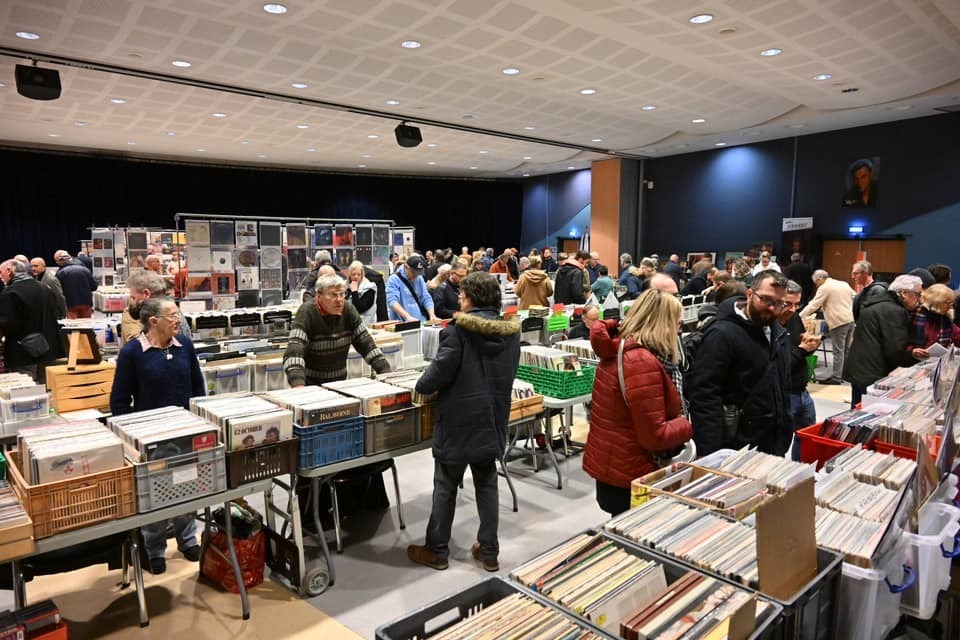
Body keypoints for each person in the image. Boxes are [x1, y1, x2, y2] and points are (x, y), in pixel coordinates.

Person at [408, 272, 520, 572]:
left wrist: (422, 385)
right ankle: (489, 551)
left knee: (445, 485)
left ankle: (437, 550)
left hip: (458, 421)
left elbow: (434, 378)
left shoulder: (458, 333)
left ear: (470, 298)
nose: (459, 298)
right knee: (487, 483)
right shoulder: (511, 333)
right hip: (493, 418)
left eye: (462, 295)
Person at [109, 296, 205, 575]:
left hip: (186, 432)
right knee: (155, 493)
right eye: (172, 316)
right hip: (150, 438)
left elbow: (198, 387)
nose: (179, 320)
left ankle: (188, 539)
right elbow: (119, 401)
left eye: (178, 314)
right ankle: (154, 548)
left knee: (187, 485)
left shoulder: (185, 345)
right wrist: (133, 435)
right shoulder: (132, 353)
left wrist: (201, 420)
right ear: (153, 321)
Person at [585, 289, 693, 516]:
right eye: (677, 321)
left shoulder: (620, 349)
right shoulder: (641, 362)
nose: (679, 327)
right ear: (662, 323)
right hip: (632, 474)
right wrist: (687, 424)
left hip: (616, 466)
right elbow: (655, 435)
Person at [687, 271, 793, 457]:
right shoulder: (722, 334)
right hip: (735, 447)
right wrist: (709, 453)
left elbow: (782, 385)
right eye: (766, 299)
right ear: (750, 294)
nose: (772, 308)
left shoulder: (778, 333)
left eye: (779, 303)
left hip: (772, 444)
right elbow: (705, 395)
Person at [284, 274, 390, 386]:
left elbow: (367, 345)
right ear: (319, 296)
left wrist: (387, 373)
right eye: (334, 295)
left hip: (340, 384)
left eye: (342, 294)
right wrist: (298, 385)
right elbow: (293, 354)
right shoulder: (307, 312)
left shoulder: (348, 310)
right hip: (312, 386)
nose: (339, 300)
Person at [843, 275, 924, 408]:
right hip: (874, 373)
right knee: (869, 414)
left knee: (857, 411)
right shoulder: (894, 311)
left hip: (860, 369)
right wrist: (912, 356)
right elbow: (895, 348)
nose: (919, 299)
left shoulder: (877, 303)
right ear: (904, 293)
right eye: (918, 294)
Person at [0, 259, 64, 381]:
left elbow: (8, 323)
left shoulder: (10, 292)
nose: (0, 276)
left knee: (27, 387)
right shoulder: (44, 287)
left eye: (0, 272)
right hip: (49, 348)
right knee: (46, 386)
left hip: (23, 352)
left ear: (9, 271)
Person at [779, 280, 821, 461]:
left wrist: (811, 345)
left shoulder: (794, 318)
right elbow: (780, 366)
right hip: (784, 393)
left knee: (806, 436)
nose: (793, 309)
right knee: (781, 442)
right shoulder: (770, 326)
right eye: (788, 304)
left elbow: (801, 348)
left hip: (802, 391)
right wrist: (802, 350)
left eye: (797, 304)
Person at [799, 270, 855, 385]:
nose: (816, 286)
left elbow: (813, 305)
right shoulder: (843, 283)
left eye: (816, 283)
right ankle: (844, 375)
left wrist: (798, 316)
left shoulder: (825, 287)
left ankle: (836, 378)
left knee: (838, 351)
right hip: (850, 320)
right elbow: (855, 297)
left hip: (838, 321)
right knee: (846, 350)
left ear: (819, 279)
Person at [120, 270, 190, 345]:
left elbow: (136, 345)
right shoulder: (175, 310)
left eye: (133, 298)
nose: (132, 302)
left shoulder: (136, 312)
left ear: (146, 294)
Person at [386, 255, 439, 323]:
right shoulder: (394, 279)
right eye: (414, 273)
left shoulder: (419, 278)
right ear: (406, 267)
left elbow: (426, 297)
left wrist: (432, 315)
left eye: (418, 273)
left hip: (421, 321)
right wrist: (407, 317)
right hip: (402, 323)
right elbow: (392, 301)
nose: (416, 276)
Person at [54, 249, 97, 318]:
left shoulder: (60, 273)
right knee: (87, 323)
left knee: (73, 324)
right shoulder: (85, 270)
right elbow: (94, 287)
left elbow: (58, 290)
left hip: (70, 304)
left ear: (59, 261)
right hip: (86, 303)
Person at [346, 261, 377, 325]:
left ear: (362, 275)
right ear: (349, 275)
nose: (356, 277)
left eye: (358, 274)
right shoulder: (345, 287)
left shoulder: (369, 288)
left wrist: (354, 292)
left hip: (365, 325)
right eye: (353, 274)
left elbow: (359, 309)